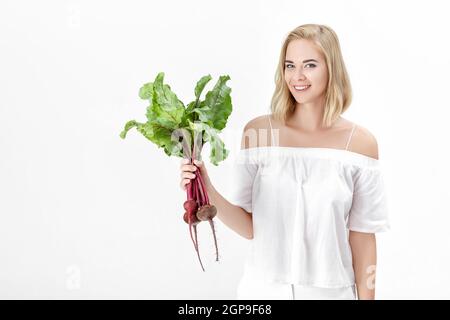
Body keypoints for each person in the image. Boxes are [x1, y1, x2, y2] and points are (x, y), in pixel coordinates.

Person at [179, 23, 390, 300]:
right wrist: (206, 186)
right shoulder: (257, 133)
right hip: (262, 292)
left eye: (310, 65)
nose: (297, 76)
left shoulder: (360, 143)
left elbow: (363, 238)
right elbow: (249, 226)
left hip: (332, 293)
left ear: (332, 69)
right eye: (290, 65)